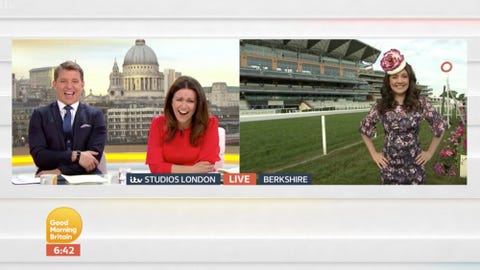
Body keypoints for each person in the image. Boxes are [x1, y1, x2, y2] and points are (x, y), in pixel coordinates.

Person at [359, 49, 447, 184]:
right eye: (394, 77)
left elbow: (440, 125)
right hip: (389, 169)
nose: (399, 81)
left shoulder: (421, 102)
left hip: (415, 169)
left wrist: (429, 153)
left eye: (404, 76)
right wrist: (374, 154)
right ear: (388, 81)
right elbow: (364, 128)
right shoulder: (381, 104)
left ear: (410, 79)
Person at [28, 61, 106, 176]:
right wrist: (75, 155)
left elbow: (92, 160)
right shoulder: (39, 115)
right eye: (63, 81)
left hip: (88, 182)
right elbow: (40, 157)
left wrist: (59, 171)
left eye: (75, 81)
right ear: (54, 84)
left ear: (82, 85)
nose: (69, 86)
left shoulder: (95, 116)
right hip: (48, 181)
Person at [146, 76, 220, 173]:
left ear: (198, 105)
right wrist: (192, 169)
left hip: (198, 185)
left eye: (190, 101)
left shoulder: (210, 124)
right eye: (179, 99)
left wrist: (168, 168)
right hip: (167, 185)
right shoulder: (158, 124)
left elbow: (205, 167)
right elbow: (155, 167)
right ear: (171, 102)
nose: (184, 106)